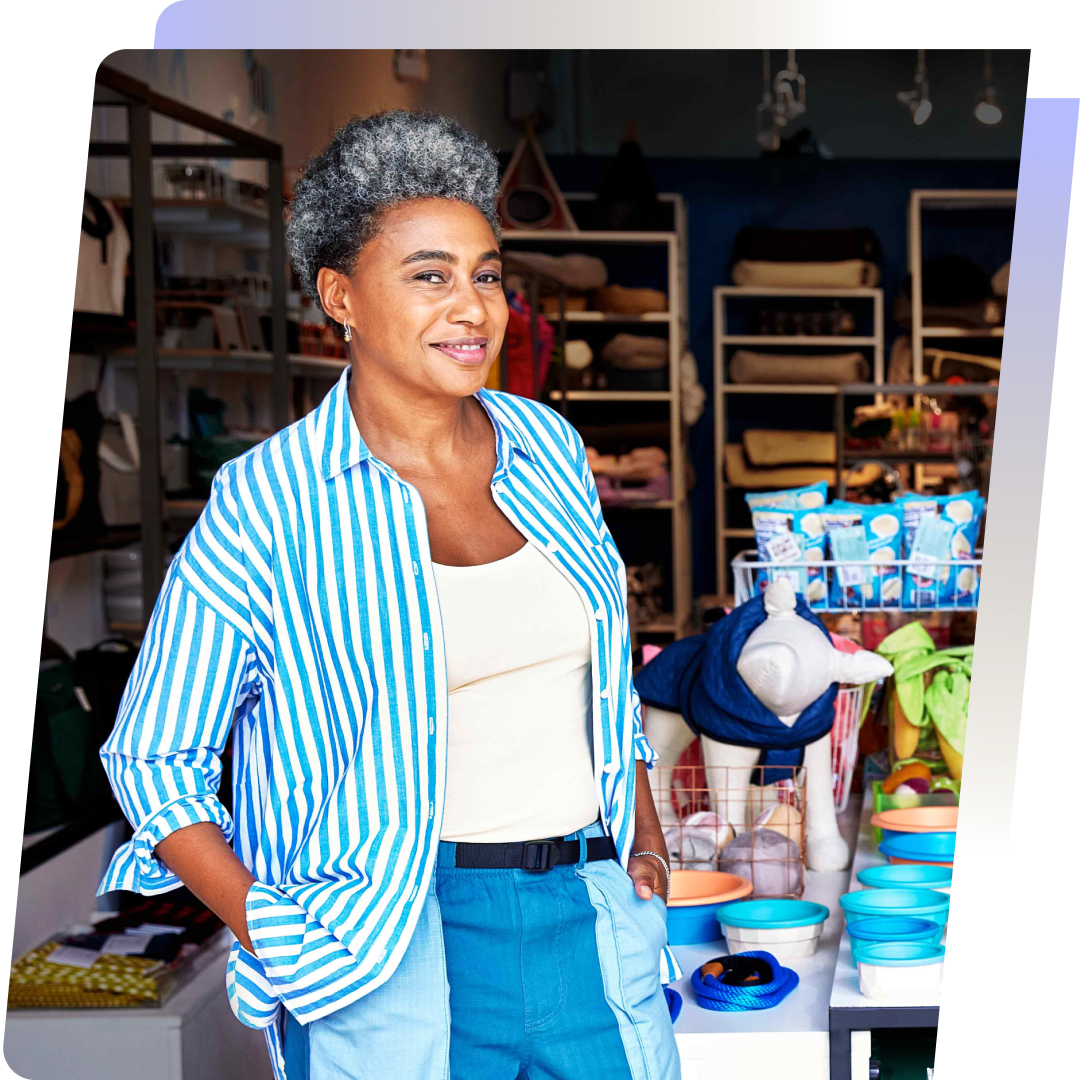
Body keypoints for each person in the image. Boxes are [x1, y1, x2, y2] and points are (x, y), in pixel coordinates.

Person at [98, 110, 681, 1080]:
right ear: (342, 297)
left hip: (590, 906)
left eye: (486, 274)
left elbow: (602, 685)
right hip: (391, 943)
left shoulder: (549, 452)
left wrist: (646, 841)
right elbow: (154, 758)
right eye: (430, 276)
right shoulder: (268, 506)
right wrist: (271, 929)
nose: (474, 308)